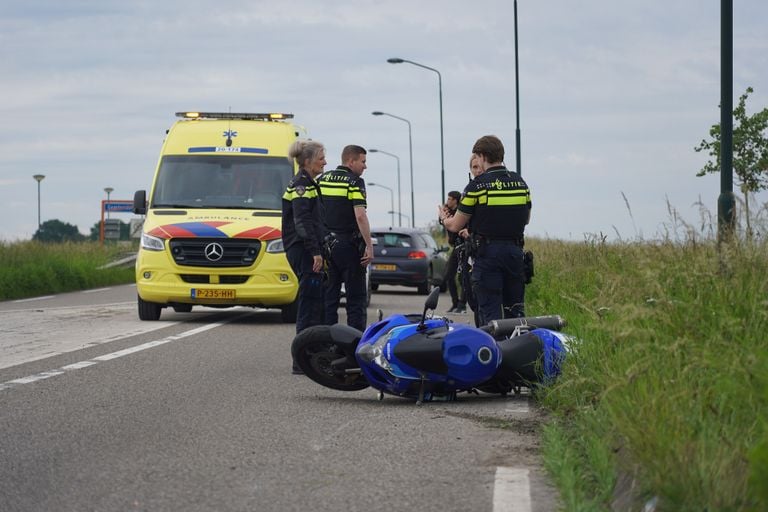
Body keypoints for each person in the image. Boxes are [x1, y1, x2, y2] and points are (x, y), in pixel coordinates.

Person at [439, 135, 531, 325]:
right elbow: (527, 218)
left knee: (490, 314)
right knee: (515, 312)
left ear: (481, 156)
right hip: (515, 253)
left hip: (487, 255)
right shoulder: (520, 183)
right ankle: (516, 350)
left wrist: (445, 219)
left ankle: (493, 352)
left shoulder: (477, 186)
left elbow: (456, 225)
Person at [282, 139, 327, 374]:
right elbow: (302, 222)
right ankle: (300, 361)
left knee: (315, 303)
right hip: (303, 249)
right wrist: (315, 251)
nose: (325, 162)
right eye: (321, 158)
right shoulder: (301, 185)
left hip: (307, 248)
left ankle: (310, 357)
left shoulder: (309, 182)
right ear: (308, 161)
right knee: (308, 304)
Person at [318, 145, 374, 332]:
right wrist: (369, 246)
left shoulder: (322, 179)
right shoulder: (355, 182)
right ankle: (355, 345)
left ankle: (327, 343)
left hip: (326, 247)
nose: (365, 167)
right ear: (351, 161)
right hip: (349, 247)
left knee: (329, 298)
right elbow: (360, 215)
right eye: (363, 161)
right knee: (355, 299)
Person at [439, 190, 466, 314]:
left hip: (465, 246)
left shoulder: (460, 212)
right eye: (448, 198)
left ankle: (462, 305)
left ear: (456, 200)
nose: (448, 201)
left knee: (463, 277)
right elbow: (443, 223)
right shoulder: (447, 211)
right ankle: (455, 303)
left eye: (450, 199)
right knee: (449, 275)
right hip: (455, 247)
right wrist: (442, 217)